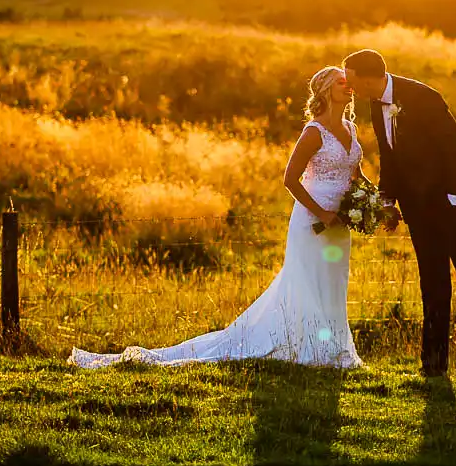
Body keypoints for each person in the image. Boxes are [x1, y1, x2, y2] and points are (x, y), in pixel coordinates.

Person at [69, 66, 363, 370]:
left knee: (334, 281)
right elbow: (290, 179)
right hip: (313, 220)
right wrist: (323, 213)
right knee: (307, 282)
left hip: (342, 221)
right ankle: (309, 349)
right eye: (342, 82)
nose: (349, 86)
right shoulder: (314, 131)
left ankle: (335, 349)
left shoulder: (352, 130)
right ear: (327, 89)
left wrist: (367, 203)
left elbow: (356, 175)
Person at [343, 49, 456, 383]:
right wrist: (386, 199)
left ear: (367, 77)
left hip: (454, 205)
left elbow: (455, 148)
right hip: (417, 210)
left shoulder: (423, 97)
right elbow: (390, 158)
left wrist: (455, 197)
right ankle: (433, 365)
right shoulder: (376, 106)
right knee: (433, 285)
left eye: (351, 81)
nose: (350, 89)